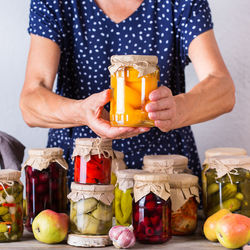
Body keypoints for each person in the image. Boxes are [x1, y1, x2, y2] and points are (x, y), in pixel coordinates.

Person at [20, 0, 235, 186]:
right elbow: (30, 102)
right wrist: (81, 113)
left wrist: (178, 109)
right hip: (80, 178)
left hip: (168, 179)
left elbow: (223, 88)